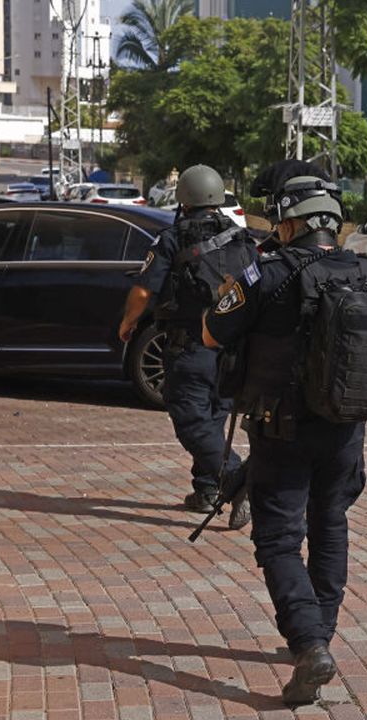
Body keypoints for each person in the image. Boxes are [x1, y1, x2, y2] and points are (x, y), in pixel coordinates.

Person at [202, 160, 367, 706]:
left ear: (289, 220)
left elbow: (213, 332)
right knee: (330, 526)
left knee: (278, 540)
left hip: (280, 432)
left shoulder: (267, 274)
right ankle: (320, 637)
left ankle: (308, 646)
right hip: (345, 429)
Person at [118, 164, 249, 529]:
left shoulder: (172, 238)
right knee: (212, 418)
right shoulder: (241, 238)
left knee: (191, 421)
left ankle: (237, 478)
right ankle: (207, 489)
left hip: (190, 345)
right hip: (231, 348)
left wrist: (128, 324)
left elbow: (144, 290)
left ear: (184, 200)